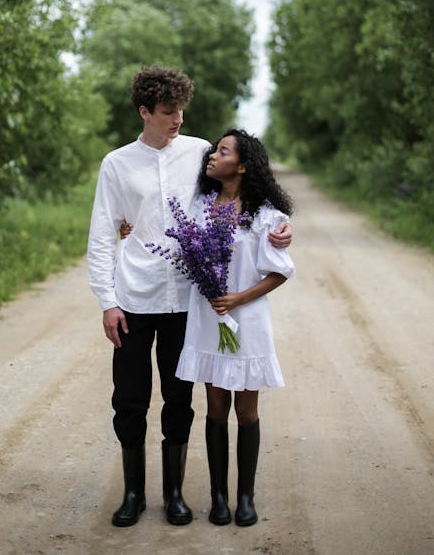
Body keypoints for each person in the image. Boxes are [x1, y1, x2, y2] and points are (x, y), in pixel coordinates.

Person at [87, 65, 293, 528]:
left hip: (187, 300)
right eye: (167, 112)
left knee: (180, 399)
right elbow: (104, 233)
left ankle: (175, 494)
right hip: (135, 296)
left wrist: (282, 226)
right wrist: (107, 300)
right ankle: (133, 493)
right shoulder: (116, 164)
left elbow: (244, 196)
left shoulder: (201, 152)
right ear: (145, 112)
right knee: (130, 399)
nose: (178, 118)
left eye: (181, 109)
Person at [175, 129, 294, 527]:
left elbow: (280, 273)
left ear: (242, 165)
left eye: (222, 151)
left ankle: (246, 498)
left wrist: (238, 299)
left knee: (245, 410)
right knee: (215, 408)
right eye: (213, 150)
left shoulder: (265, 217)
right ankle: (219, 498)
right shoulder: (199, 207)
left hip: (247, 320)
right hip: (210, 319)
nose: (212, 155)